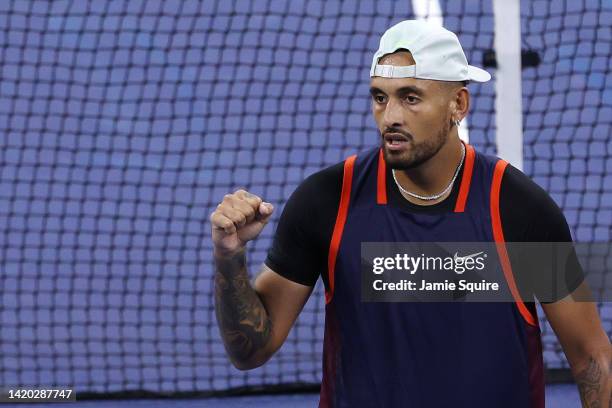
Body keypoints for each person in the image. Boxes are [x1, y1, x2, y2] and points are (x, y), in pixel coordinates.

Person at [210, 20, 610, 407]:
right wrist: (229, 257)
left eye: (410, 97)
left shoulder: (517, 209)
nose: (391, 117)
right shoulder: (327, 201)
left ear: (459, 104)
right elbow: (251, 351)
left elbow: (591, 358)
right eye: (380, 97)